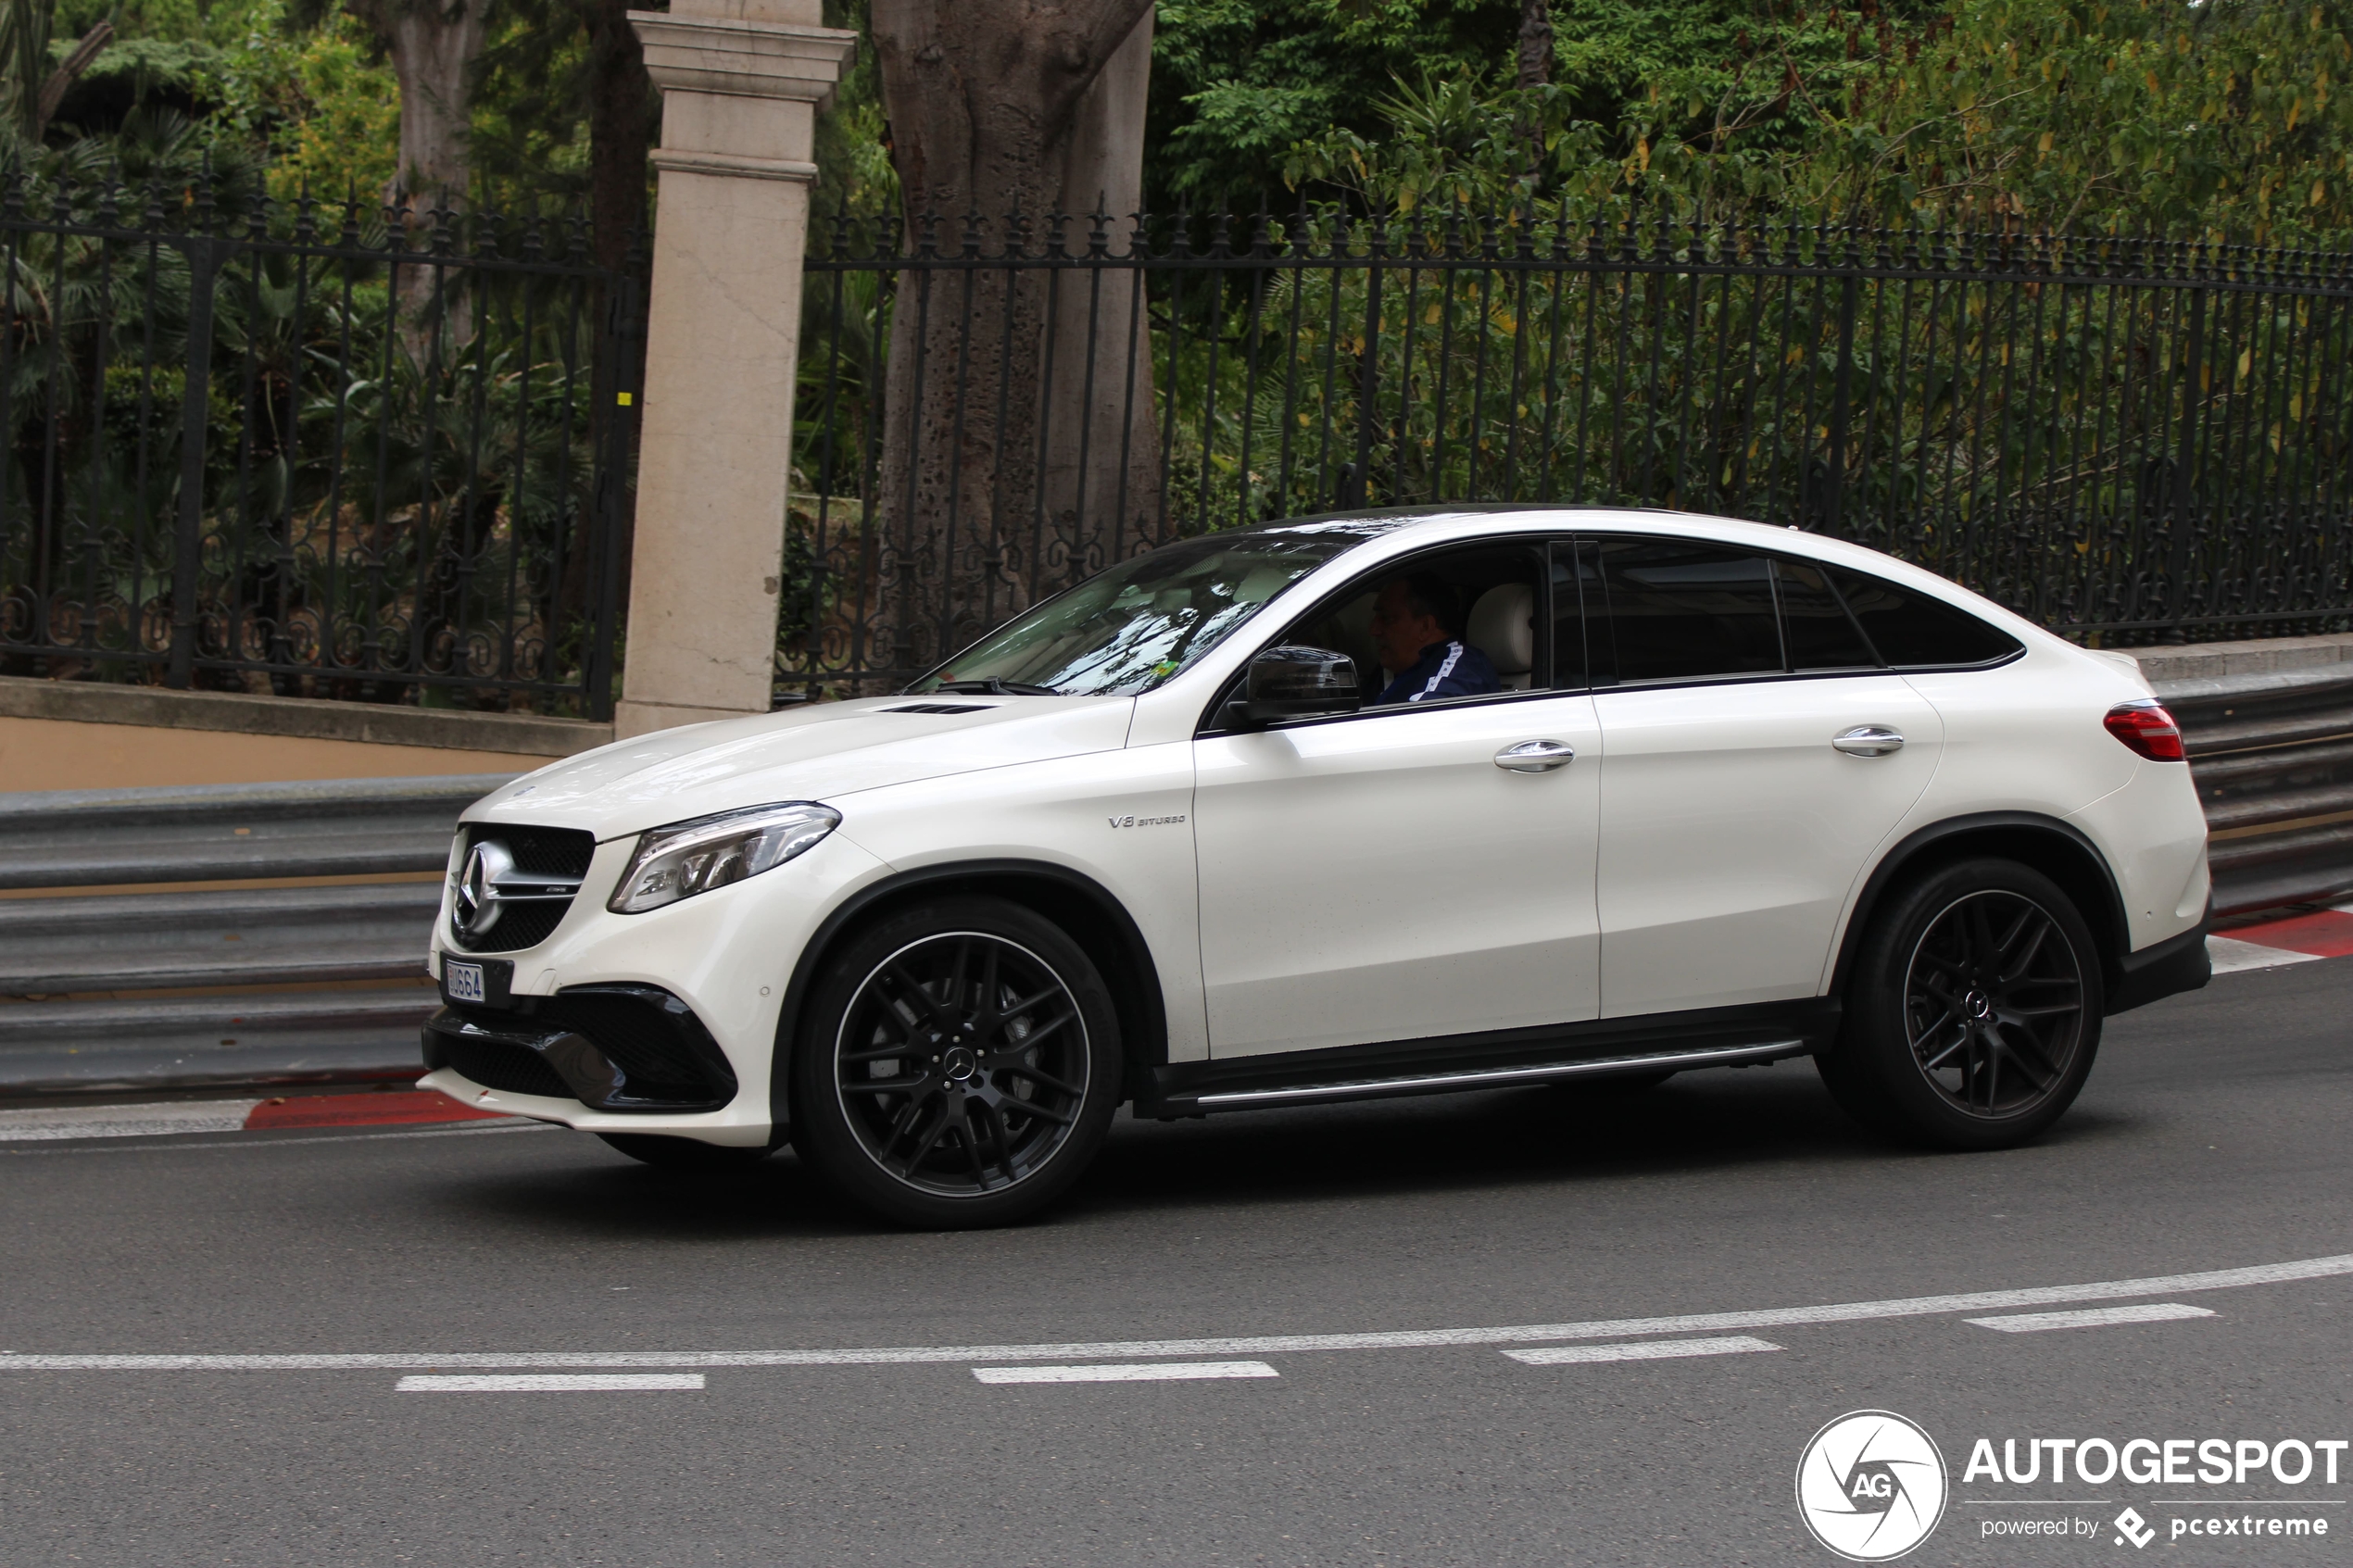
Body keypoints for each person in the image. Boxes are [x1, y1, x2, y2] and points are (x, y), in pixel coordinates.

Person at [1368, 572, 1501, 704]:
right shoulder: (1391, 670)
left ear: (1425, 627)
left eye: (1386, 618)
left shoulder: (1461, 667)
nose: (1373, 630)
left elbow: (1422, 718)